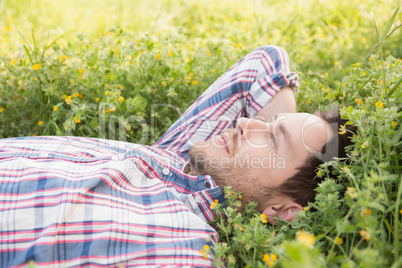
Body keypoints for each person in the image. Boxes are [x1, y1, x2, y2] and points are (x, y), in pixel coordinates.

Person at [0, 45, 352, 267]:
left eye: (274, 140)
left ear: (283, 213)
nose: (246, 122)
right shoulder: (185, 158)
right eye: (268, 122)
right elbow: (264, 63)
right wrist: (271, 142)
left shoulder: (182, 250)